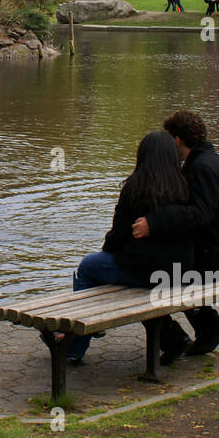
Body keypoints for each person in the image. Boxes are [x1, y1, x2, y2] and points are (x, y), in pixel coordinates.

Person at [63, 131, 200, 365]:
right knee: (112, 271)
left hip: (146, 271)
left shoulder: (136, 187)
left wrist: (109, 251)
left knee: (88, 266)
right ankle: (171, 337)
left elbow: (117, 235)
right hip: (179, 272)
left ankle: (77, 342)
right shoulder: (185, 186)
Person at [132, 110, 219, 356]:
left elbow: (198, 215)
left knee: (154, 276)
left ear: (178, 140)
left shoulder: (201, 168)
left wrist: (154, 222)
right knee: (175, 269)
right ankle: (208, 327)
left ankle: (177, 338)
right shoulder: (214, 163)